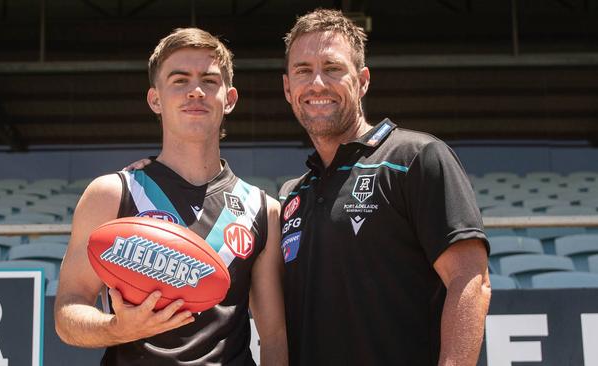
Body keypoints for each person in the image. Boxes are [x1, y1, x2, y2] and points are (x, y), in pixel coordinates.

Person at [54, 28, 288, 366]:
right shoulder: (112, 194)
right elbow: (66, 314)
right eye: (179, 80)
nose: (196, 91)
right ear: (155, 100)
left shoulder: (261, 210)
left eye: (209, 81)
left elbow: (274, 335)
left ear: (230, 98)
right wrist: (116, 328)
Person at [277, 9, 491, 366]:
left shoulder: (415, 158)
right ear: (287, 89)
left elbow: (471, 280)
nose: (316, 83)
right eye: (303, 70)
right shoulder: (291, 195)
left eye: (332, 68)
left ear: (362, 81)